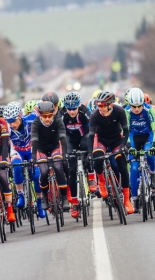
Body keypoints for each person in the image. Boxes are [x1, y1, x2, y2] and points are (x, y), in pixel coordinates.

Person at [89, 91, 135, 214]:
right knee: (97, 158)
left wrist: (123, 145)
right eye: (99, 106)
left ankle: (126, 200)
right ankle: (102, 182)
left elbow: (126, 131)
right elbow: (91, 135)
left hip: (116, 139)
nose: (101, 108)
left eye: (103, 106)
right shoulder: (95, 115)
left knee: (122, 167)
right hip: (101, 140)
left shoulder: (119, 111)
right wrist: (90, 153)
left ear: (111, 104)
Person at [3, 101, 46, 218]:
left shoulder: (31, 119)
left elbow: (40, 107)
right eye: (9, 121)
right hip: (17, 151)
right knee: (16, 167)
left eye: (14, 120)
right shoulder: (6, 127)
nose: (12, 124)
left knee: (37, 175)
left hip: (32, 149)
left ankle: (39, 201)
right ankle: (20, 195)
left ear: (20, 116)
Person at [125, 87, 155, 211]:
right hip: (133, 138)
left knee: (150, 153)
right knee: (134, 169)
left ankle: (152, 175)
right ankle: (135, 199)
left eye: (139, 106)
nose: (136, 109)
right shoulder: (126, 112)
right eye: (133, 106)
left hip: (148, 136)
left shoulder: (149, 110)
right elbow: (125, 132)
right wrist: (128, 145)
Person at [59, 91, 94, 219]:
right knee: (72, 170)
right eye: (69, 109)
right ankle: (74, 202)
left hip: (84, 136)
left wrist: (90, 152)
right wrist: (64, 153)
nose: (72, 111)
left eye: (74, 108)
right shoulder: (61, 114)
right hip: (69, 139)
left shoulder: (84, 111)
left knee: (87, 150)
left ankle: (91, 178)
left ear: (79, 106)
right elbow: (60, 134)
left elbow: (91, 131)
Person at [31, 101, 69, 211]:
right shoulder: (36, 123)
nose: (47, 119)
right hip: (41, 149)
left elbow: (63, 138)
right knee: (43, 172)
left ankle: (64, 197)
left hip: (55, 147)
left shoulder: (58, 120)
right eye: (44, 116)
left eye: (49, 116)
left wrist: (64, 153)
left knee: (58, 167)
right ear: (40, 115)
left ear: (53, 114)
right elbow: (34, 141)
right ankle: (44, 197)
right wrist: (33, 157)